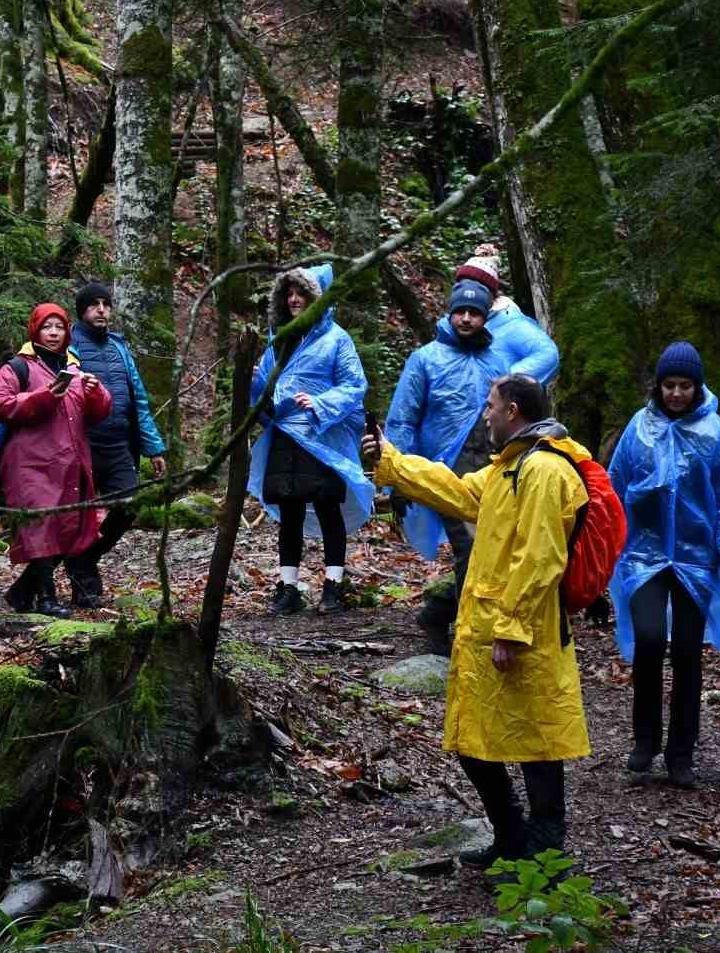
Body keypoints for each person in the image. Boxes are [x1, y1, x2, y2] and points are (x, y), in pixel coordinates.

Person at [363, 374, 591, 865]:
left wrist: (511, 628)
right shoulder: (511, 468)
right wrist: (392, 462)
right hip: (490, 627)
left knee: (537, 744)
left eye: (490, 406)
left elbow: (539, 558)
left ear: (512, 411)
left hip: (525, 630)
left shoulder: (545, 472)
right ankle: (511, 836)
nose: (485, 415)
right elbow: (459, 493)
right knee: (474, 740)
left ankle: (547, 856)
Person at [607, 341, 720, 789]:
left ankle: (681, 754)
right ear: (658, 386)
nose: (677, 393)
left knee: (688, 655)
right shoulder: (639, 428)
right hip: (644, 557)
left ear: (697, 388)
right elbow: (614, 490)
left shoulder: (714, 433)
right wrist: (602, 552)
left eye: (685, 386)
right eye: (669, 385)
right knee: (651, 640)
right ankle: (644, 740)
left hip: (697, 561)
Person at [383, 280, 509, 651]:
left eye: (475, 313)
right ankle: (455, 625)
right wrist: (399, 479)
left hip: (490, 470)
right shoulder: (425, 359)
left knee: (492, 552)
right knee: (471, 551)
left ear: (485, 318)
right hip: (446, 474)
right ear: (449, 312)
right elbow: (403, 418)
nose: (466, 319)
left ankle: (442, 611)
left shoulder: (497, 362)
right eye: (461, 311)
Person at [247, 265, 376, 615]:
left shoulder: (338, 340)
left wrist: (320, 403)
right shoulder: (281, 339)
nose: (293, 300)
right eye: (288, 294)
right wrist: (257, 391)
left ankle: (333, 586)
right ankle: (287, 587)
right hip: (285, 434)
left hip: (323, 437)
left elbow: (354, 386)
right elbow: (262, 386)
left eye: (301, 294)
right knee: (288, 510)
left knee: (326, 505)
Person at [0, 303, 112, 617]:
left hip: (69, 464)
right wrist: (46, 395)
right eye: (47, 327)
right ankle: (46, 599)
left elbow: (98, 413)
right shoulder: (17, 367)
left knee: (67, 528)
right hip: (30, 463)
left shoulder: (73, 367)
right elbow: (0, 404)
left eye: (59, 327)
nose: (54, 333)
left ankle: (21, 594)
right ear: (35, 330)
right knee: (41, 529)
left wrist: (96, 391)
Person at [62, 282, 169, 606]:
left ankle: (83, 561)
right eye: (94, 304)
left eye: (106, 304)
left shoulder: (119, 347)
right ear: (82, 310)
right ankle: (81, 582)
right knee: (79, 516)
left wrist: (154, 447)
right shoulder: (69, 345)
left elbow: (138, 398)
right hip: (81, 445)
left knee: (128, 505)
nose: (101, 310)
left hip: (119, 444)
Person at [451, 245, 559, 383]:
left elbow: (547, 355)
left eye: (477, 287)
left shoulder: (512, 323)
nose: (470, 291)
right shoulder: (459, 321)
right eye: (463, 284)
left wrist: (504, 383)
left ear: (491, 294)